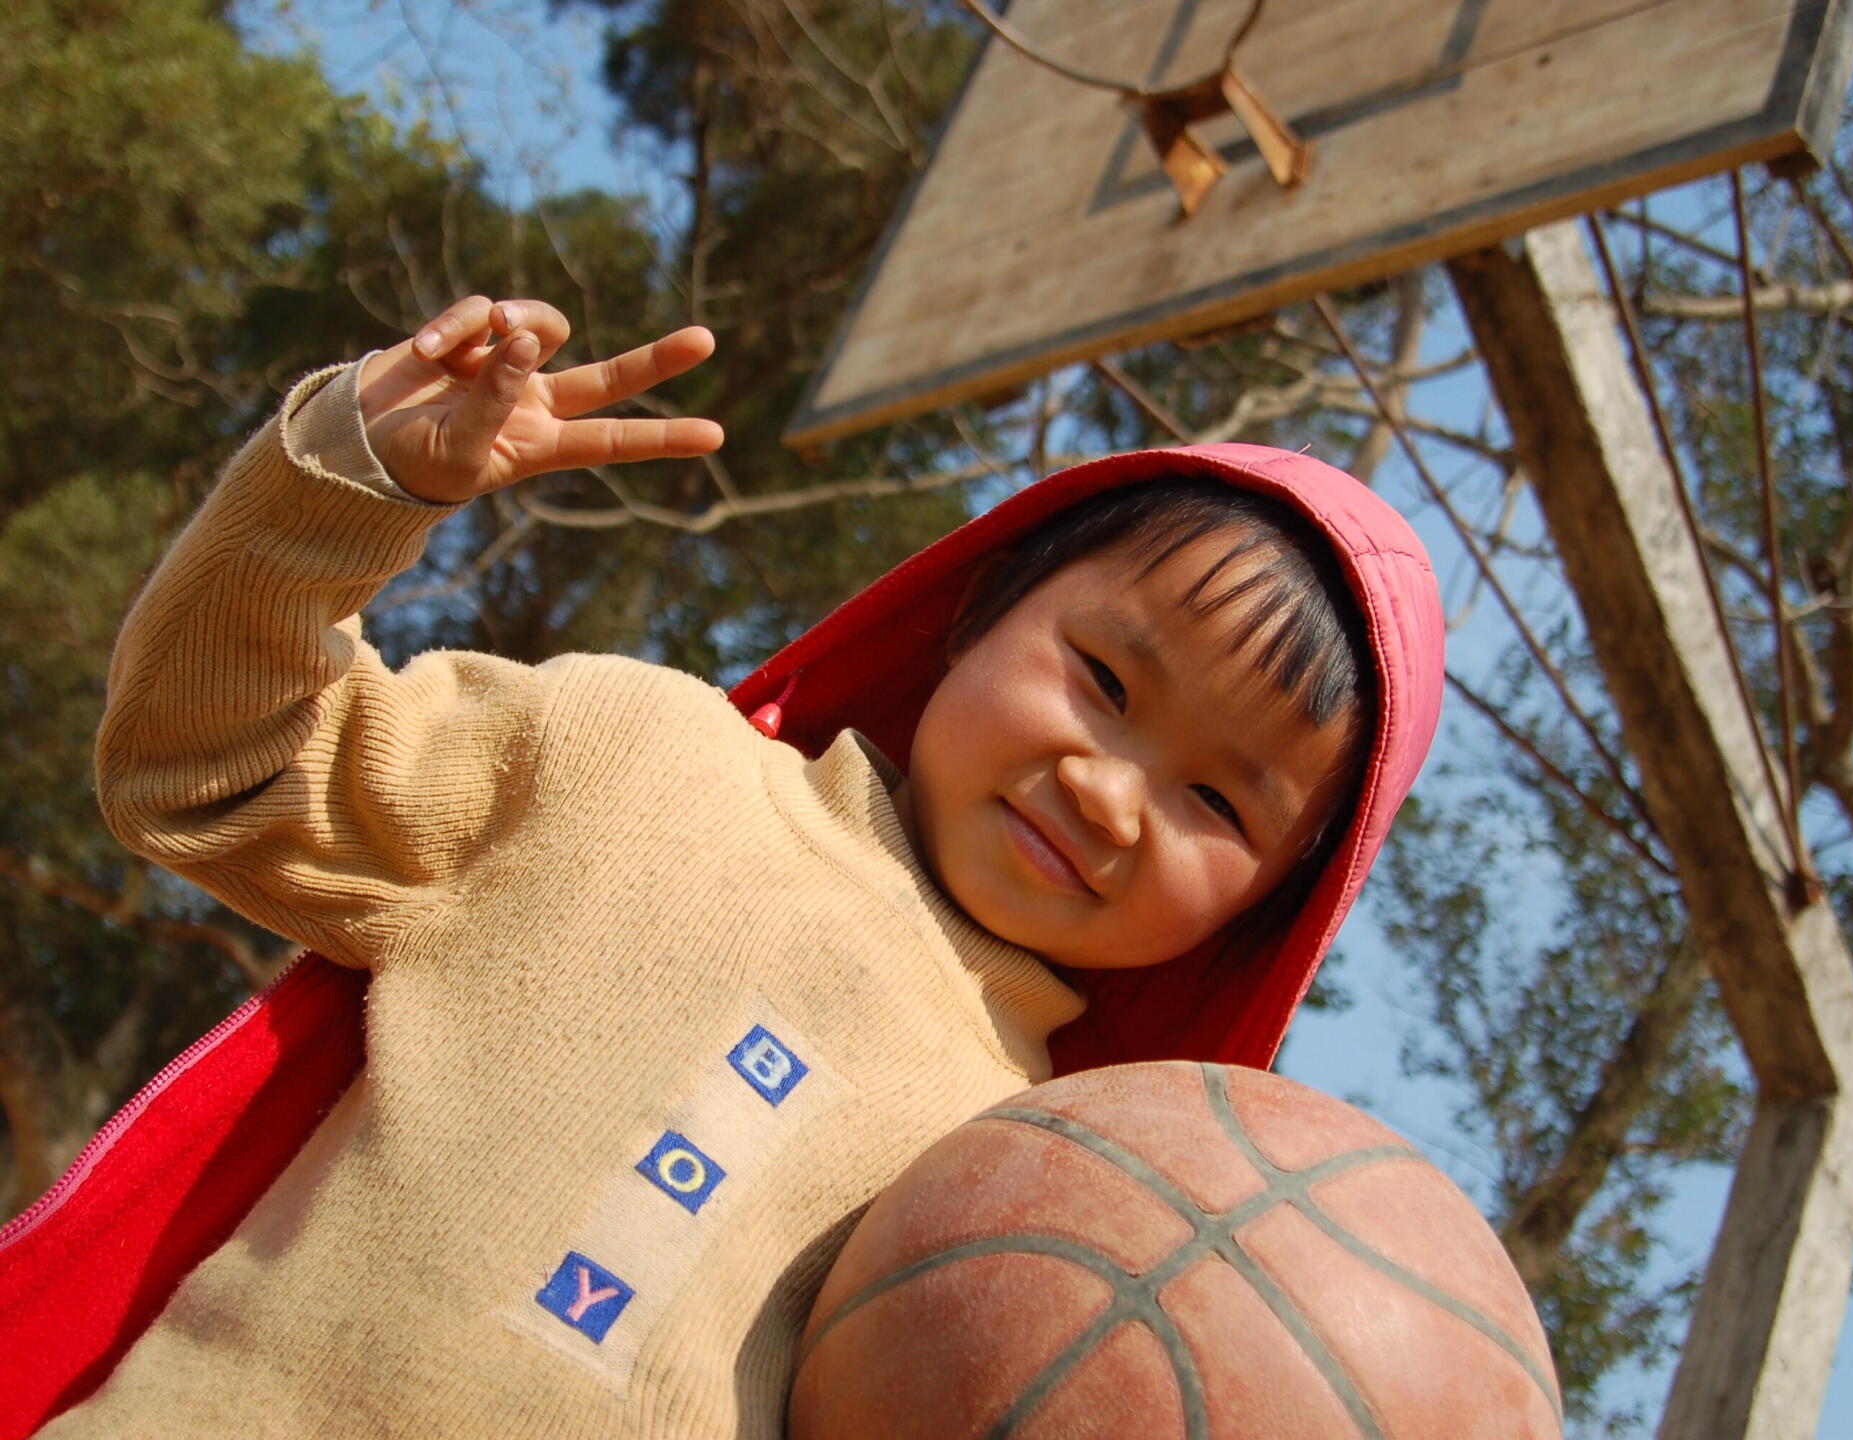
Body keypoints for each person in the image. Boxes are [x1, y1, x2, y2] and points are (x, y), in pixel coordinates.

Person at [37, 297, 1444, 1437]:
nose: (1109, 792)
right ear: (971, 617)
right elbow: (206, 763)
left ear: (1272, 911)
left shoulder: (1051, 1197)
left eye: (1216, 799)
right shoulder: (628, 759)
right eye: (1102, 681)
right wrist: (351, 483)